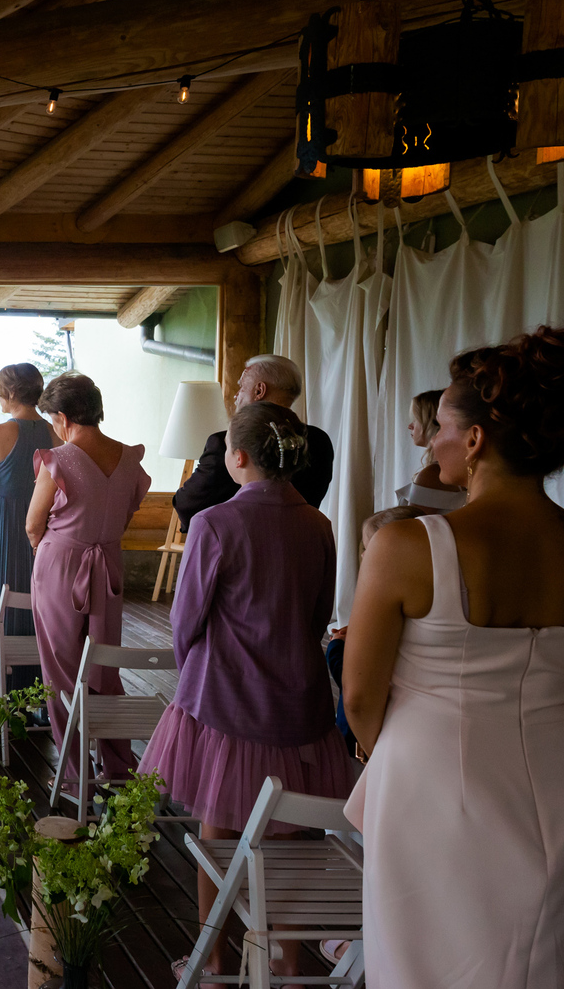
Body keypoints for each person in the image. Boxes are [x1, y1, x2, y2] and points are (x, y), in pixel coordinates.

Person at [343, 327, 564, 989]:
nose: (431, 441)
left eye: (439, 426)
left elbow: (360, 696)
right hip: (552, 773)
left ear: (474, 441)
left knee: (425, 964)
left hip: (430, 785)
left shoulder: (408, 545)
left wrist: (379, 754)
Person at [138, 402, 351, 980]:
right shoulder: (318, 524)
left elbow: (187, 620)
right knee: (292, 831)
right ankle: (287, 964)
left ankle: (214, 958)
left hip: (225, 696)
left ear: (237, 457)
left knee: (219, 821)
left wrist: (191, 671)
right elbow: (320, 614)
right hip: (300, 701)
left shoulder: (215, 523)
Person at [26, 373, 150, 782]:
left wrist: (53, 551)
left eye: (53, 419)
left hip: (61, 564)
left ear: (63, 417)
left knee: (60, 670)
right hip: (108, 564)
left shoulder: (59, 459)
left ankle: (75, 773)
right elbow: (125, 516)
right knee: (104, 665)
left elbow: (33, 524)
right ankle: (118, 767)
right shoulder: (129, 459)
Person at [0, 363, 56, 694]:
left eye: (0, 390)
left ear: (12, 392)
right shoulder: (55, 434)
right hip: (40, 527)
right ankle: (30, 689)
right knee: (33, 599)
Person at [172, 354, 334, 532]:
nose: (236, 395)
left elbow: (187, 505)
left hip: (235, 543)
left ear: (259, 391)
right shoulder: (320, 442)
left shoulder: (230, 443)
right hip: (300, 543)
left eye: (241, 386)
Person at [325, 505, 420, 760]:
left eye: (368, 548)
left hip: (364, 738)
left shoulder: (380, 602)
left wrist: (336, 646)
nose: (364, 555)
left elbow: (356, 685)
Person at [394, 388, 465, 512]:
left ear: (433, 423)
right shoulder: (451, 470)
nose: (410, 426)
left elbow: (413, 523)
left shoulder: (434, 474)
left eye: (416, 419)